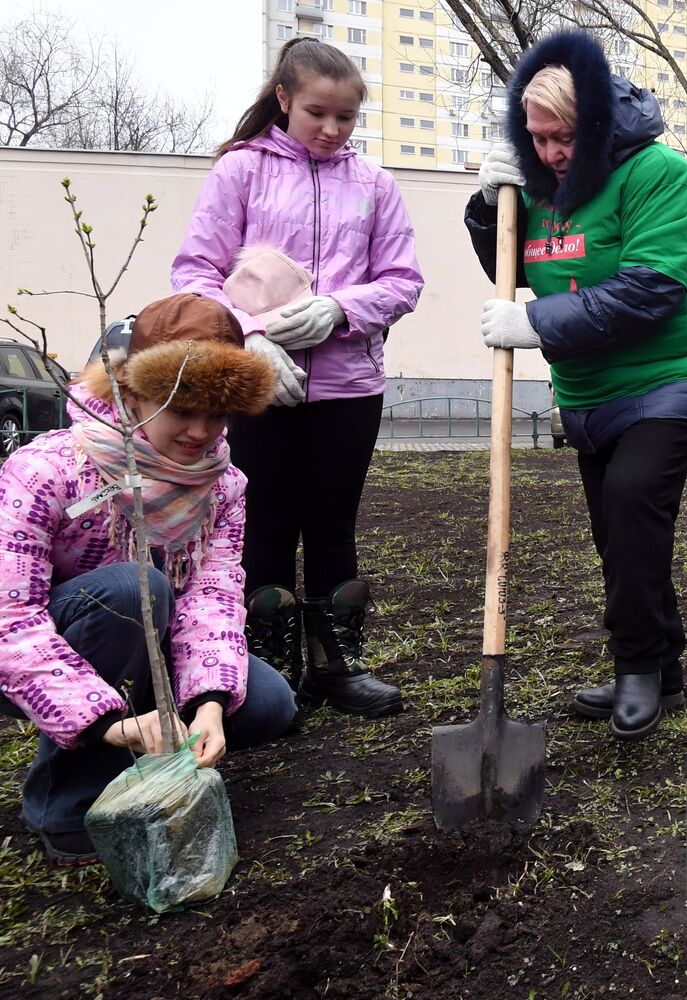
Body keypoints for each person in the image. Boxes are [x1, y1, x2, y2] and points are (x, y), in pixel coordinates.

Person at [464, 31, 687, 741]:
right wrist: (491, 209)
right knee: (619, 532)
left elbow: (650, 288)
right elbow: (515, 270)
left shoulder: (661, 175)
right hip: (589, 392)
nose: (552, 153)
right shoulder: (544, 189)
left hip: (674, 374)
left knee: (631, 498)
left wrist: (536, 324)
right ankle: (662, 667)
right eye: (538, 139)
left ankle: (638, 667)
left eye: (565, 137)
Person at [0, 293, 299, 866]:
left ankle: (155, 748)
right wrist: (106, 721)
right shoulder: (49, 469)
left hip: (146, 646)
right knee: (129, 589)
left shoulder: (222, 485)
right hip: (33, 649)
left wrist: (209, 702)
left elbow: (212, 595)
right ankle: (68, 800)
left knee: (268, 705)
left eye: (218, 414)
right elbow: (11, 619)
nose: (200, 432)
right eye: (181, 409)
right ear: (133, 393)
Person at [172, 37, 423, 716]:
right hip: (259, 383)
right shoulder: (240, 173)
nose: (332, 130)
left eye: (346, 117)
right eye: (318, 112)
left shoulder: (375, 185)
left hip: (349, 387)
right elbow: (194, 275)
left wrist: (341, 308)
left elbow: (403, 283)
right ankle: (269, 677)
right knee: (266, 525)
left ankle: (337, 665)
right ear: (283, 98)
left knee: (334, 525)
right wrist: (249, 336)